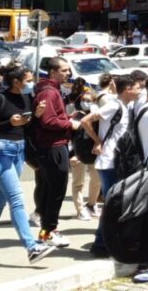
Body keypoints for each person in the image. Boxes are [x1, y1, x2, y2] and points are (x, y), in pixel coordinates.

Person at [0, 65, 56, 264]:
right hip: (1, 153)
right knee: (16, 199)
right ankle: (31, 247)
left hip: (18, 151)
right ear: (16, 81)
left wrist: (36, 115)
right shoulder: (0, 99)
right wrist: (9, 123)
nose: (30, 83)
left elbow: (26, 126)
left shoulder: (26, 98)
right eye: (27, 79)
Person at [81, 75, 137, 254]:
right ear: (127, 88)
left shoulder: (126, 106)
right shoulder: (114, 105)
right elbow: (85, 121)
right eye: (137, 87)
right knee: (111, 204)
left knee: (114, 204)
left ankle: (107, 243)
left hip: (117, 161)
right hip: (108, 161)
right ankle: (100, 244)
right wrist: (97, 141)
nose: (139, 91)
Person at [32, 57, 80, 247]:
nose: (68, 73)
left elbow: (51, 117)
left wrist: (66, 117)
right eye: (64, 70)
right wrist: (70, 123)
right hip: (52, 147)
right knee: (56, 191)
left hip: (52, 146)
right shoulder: (49, 92)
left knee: (49, 190)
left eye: (68, 70)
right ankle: (49, 231)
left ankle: (46, 232)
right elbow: (48, 121)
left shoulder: (50, 90)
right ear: (53, 72)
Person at [67, 81, 101, 221]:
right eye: (84, 100)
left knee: (97, 180)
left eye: (89, 100)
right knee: (78, 183)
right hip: (78, 154)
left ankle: (91, 205)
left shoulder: (97, 117)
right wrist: (73, 154)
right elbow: (70, 137)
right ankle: (80, 209)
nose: (86, 103)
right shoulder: (75, 115)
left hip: (93, 153)